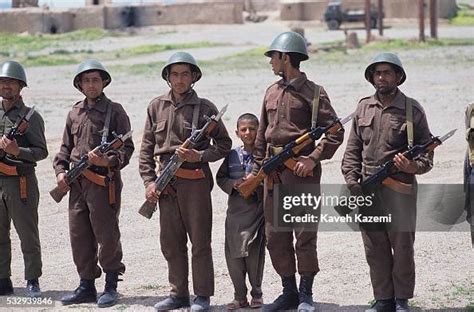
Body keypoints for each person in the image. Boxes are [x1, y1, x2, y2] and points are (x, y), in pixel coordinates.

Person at [252, 32, 344, 311]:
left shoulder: (315, 94)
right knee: (275, 235)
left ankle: (306, 294)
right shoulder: (271, 91)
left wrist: (314, 158)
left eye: (274, 57)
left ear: (286, 58)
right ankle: (288, 291)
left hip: (301, 174)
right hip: (272, 174)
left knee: (304, 234)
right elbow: (261, 135)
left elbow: (335, 132)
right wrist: (256, 172)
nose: (271, 62)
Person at [139, 51, 231, 311]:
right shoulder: (156, 106)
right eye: (175, 74)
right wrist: (149, 182)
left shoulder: (206, 109)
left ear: (193, 78)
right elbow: (146, 149)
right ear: (168, 77)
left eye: (185, 74)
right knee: (170, 241)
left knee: (200, 241)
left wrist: (199, 155)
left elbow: (224, 145)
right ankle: (178, 293)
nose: (179, 79)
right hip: (165, 184)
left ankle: (202, 295)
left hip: (195, 182)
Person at [341, 52, 434, 312]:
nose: (381, 77)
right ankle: (383, 299)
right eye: (377, 73)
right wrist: (352, 180)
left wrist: (413, 166)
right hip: (368, 186)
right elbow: (353, 149)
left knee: (402, 245)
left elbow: (427, 153)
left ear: (398, 77)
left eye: (387, 72)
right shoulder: (363, 107)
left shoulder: (412, 110)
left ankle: (402, 299)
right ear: (371, 77)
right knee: (374, 245)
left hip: (400, 187)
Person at [53, 60, 134, 308]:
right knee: (79, 234)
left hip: (102, 182)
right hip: (76, 184)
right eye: (86, 80)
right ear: (80, 84)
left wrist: (107, 160)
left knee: (106, 234)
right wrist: (60, 172)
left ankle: (110, 285)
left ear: (104, 82)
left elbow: (127, 149)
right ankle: (86, 284)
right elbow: (65, 149)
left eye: (96, 80)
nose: (91, 85)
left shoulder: (115, 111)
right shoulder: (74, 112)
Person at [0, 60, 48, 298]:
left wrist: (18, 151)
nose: (6, 86)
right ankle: (2, 280)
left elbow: (41, 151)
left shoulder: (31, 118)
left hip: (20, 182)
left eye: (11, 82)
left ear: (20, 86)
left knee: (27, 233)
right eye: (3, 82)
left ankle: (32, 280)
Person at [216, 113, 265, 310]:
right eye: (243, 129)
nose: (248, 133)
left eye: (252, 129)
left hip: (257, 211)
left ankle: (257, 294)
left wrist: (255, 185)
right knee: (234, 255)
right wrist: (234, 184)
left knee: (254, 254)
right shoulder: (232, 155)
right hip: (235, 213)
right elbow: (220, 178)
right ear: (237, 133)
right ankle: (239, 296)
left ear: (259, 131)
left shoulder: (264, 155)